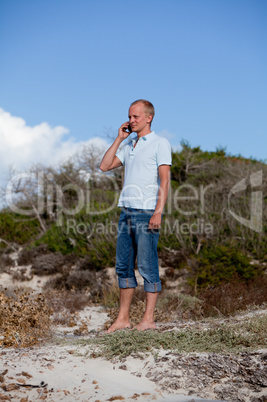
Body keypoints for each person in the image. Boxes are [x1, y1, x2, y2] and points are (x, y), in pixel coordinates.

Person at [100, 99, 171, 332]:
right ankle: (123, 319)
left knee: (147, 266)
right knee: (123, 266)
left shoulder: (160, 143)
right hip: (126, 212)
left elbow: (165, 180)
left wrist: (158, 212)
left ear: (148, 117)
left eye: (135, 117)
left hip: (146, 212)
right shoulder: (130, 143)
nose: (131, 121)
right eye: (129, 117)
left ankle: (148, 320)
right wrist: (120, 138)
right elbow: (105, 166)